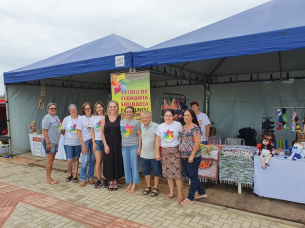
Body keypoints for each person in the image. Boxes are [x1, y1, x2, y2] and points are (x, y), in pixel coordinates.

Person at [179, 109, 207, 205]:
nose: (186, 117)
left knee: (193, 176)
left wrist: (192, 155)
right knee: (192, 176)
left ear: (192, 117)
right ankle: (202, 192)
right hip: (184, 156)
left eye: (188, 115)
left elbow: (198, 142)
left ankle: (190, 197)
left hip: (193, 157)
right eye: (185, 115)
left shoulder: (195, 128)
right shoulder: (183, 127)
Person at [155, 110, 184, 202]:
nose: (168, 117)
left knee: (177, 174)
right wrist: (157, 153)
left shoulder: (178, 125)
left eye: (169, 116)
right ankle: (171, 192)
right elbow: (157, 141)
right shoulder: (160, 127)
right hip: (165, 151)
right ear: (163, 116)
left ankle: (180, 194)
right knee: (168, 174)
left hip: (176, 151)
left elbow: (182, 137)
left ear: (173, 116)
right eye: (166, 115)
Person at [101, 100, 124, 191]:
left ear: (117, 107)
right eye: (111, 107)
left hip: (117, 143)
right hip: (107, 143)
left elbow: (123, 131)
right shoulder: (104, 118)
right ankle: (110, 180)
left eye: (114, 106)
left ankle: (115, 180)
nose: (112, 108)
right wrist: (105, 145)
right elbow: (102, 133)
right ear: (108, 108)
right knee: (108, 161)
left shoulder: (121, 117)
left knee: (116, 161)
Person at [120, 106, 141, 193]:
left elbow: (139, 135)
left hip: (134, 145)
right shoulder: (121, 122)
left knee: (134, 165)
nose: (128, 113)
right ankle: (129, 183)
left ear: (133, 113)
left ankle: (135, 184)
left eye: (130, 112)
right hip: (124, 146)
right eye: (127, 112)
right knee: (126, 165)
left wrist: (139, 147)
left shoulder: (136, 122)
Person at [140, 110, 160, 197]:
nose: (144, 119)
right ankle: (148, 186)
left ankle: (156, 187)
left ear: (150, 118)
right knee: (146, 171)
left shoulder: (156, 126)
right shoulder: (140, 126)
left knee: (156, 171)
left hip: (154, 154)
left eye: (145, 118)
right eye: (142, 118)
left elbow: (159, 140)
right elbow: (139, 138)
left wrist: (157, 153)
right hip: (144, 154)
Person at [42, 103, 61, 184]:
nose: (53, 110)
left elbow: (60, 127)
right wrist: (47, 143)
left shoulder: (56, 117)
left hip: (56, 142)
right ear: (48, 109)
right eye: (51, 108)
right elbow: (44, 130)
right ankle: (48, 179)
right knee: (49, 160)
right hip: (50, 142)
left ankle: (50, 177)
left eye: (55, 108)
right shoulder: (47, 118)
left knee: (52, 160)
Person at [77, 102, 95, 187]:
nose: (87, 110)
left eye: (89, 108)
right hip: (85, 141)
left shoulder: (94, 118)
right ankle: (82, 179)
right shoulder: (81, 119)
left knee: (92, 160)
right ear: (84, 110)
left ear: (91, 109)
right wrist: (83, 145)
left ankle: (90, 177)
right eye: (86, 109)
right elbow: (78, 133)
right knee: (85, 160)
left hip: (93, 141)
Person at [62, 104, 81, 183]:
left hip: (78, 143)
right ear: (69, 111)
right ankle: (70, 174)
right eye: (71, 110)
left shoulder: (81, 118)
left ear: (77, 110)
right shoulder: (66, 119)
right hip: (68, 143)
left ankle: (75, 175)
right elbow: (63, 130)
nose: (73, 111)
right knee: (69, 160)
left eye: (74, 109)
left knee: (76, 159)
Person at [90, 101, 105, 188]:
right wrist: (94, 143)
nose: (98, 109)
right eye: (97, 107)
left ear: (103, 108)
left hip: (106, 142)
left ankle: (106, 179)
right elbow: (92, 131)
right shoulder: (93, 118)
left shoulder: (106, 117)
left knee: (106, 162)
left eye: (100, 107)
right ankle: (99, 179)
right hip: (97, 141)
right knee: (98, 162)